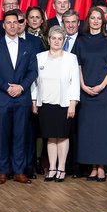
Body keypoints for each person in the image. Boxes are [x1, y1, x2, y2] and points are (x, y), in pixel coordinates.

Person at [0, 10, 39, 185]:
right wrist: (6, 87)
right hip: (2, 97)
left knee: (20, 135)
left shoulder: (28, 46)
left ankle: (18, 171)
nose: (12, 25)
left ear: (19, 24)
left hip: (22, 98)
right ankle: (2, 171)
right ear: (3, 25)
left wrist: (22, 87)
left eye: (15, 22)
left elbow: (33, 71)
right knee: (2, 135)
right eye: (8, 22)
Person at [73, 7, 107, 181]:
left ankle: (102, 168)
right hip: (85, 92)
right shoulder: (81, 40)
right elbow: (77, 66)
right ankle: (93, 168)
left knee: (103, 132)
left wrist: (101, 86)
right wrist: (83, 86)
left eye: (99, 18)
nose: (96, 21)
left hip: (104, 93)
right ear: (88, 20)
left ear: (103, 21)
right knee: (89, 132)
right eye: (93, 18)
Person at [31, 25, 80, 182]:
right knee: (50, 137)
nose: (57, 41)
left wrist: (72, 103)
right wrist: (34, 101)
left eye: (60, 38)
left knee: (62, 136)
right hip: (45, 103)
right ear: (49, 40)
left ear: (64, 40)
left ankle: (62, 168)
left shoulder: (70, 58)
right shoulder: (40, 57)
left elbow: (75, 83)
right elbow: (34, 83)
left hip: (63, 104)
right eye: (54, 38)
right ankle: (52, 168)